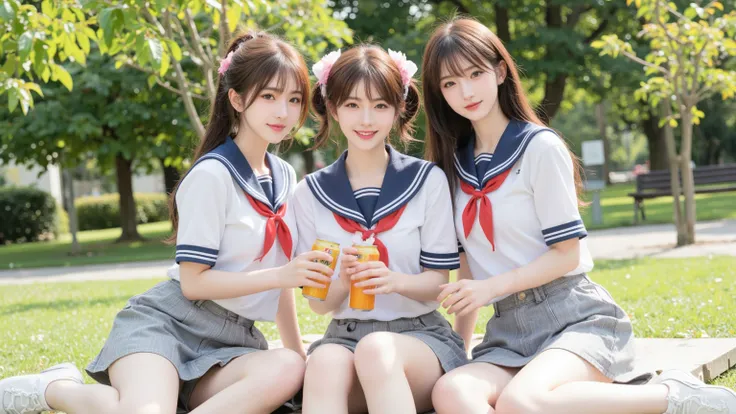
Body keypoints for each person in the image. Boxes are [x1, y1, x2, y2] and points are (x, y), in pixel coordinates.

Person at [0, 31, 335, 414]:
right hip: (167, 327)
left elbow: (281, 284)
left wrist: (298, 352)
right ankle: (55, 388)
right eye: (270, 96)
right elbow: (194, 283)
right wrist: (282, 275)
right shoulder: (213, 175)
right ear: (238, 99)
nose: (283, 112)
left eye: (294, 99)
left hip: (233, 343)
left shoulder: (284, 177)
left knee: (288, 366)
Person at [421, 17, 736, 414]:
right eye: (450, 83)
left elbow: (567, 254)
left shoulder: (539, 148)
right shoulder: (451, 170)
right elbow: (467, 273)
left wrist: (492, 286)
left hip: (575, 318)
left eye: (475, 73)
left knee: (522, 401)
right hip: (507, 331)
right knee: (451, 391)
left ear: (500, 71)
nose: (465, 91)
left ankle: (675, 397)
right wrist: (461, 350)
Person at [294, 45, 468, 414]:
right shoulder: (308, 193)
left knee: (376, 351)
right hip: (343, 337)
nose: (366, 119)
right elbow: (317, 303)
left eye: (380, 105)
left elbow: (439, 284)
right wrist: (342, 279)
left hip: (418, 338)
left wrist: (393, 281)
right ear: (333, 107)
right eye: (353, 105)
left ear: (398, 108)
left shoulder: (427, 181)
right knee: (323, 363)